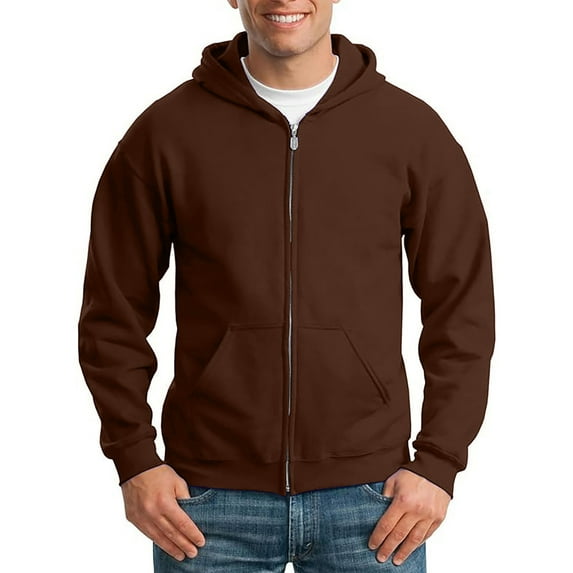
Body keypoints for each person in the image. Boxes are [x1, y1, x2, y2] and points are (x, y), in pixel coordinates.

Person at [77, 1, 495, 571]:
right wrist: (134, 460)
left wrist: (439, 463)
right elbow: (112, 313)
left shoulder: (410, 131)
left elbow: (462, 308)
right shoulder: (166, 132)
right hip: (205, 504)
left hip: (373, 501)